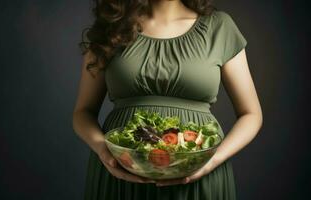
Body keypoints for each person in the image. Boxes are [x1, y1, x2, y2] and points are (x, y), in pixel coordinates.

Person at [72, 0, 263, 199]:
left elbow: (251, 114)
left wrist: (213, 160)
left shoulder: (219, 27)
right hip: (122, 172)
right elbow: (83, 112)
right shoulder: (111, 27)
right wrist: (104, 150)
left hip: (199, 176)